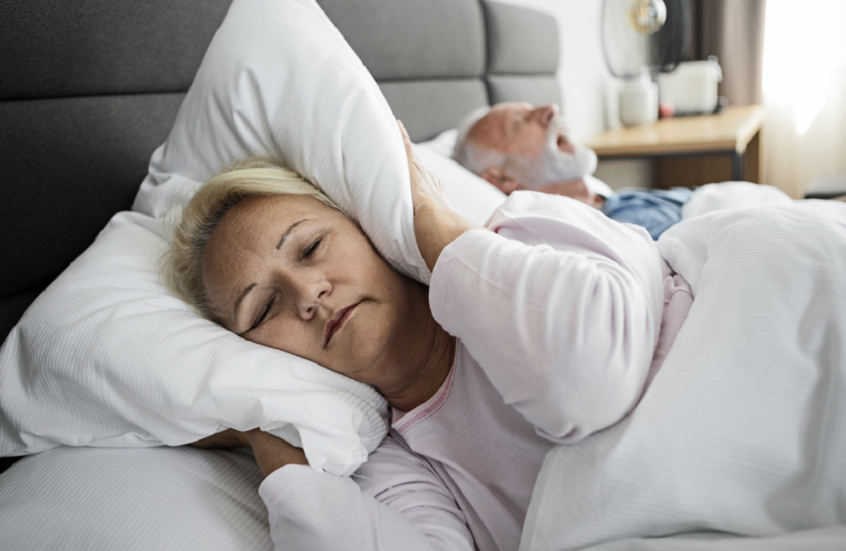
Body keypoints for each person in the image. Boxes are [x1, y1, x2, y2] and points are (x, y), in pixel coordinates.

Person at [168, 121, 694, 551]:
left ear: (365, 224)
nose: (307, 293)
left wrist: (433, 219)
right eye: (263, 309)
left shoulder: (524, 233)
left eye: (310, 248)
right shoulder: (390, 463)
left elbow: (591, 376)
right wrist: (265, 432)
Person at [452, 102, 694, 240]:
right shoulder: (608, 239)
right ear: (501, 178)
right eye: (521, 121)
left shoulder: (618, 199)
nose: (551, 109)